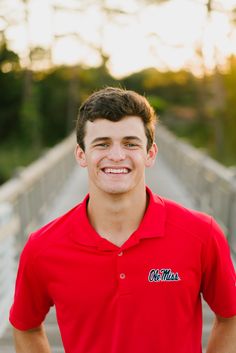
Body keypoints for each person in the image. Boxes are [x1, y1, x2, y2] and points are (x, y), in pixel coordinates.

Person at [9, 87, 236, 353]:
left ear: (150, 154)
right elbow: (25, 326)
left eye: (130, 143)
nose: (116, 155)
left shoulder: (201, 233)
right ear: (81, 155)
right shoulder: (42, 247)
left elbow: (230, 316)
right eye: (102, 144)